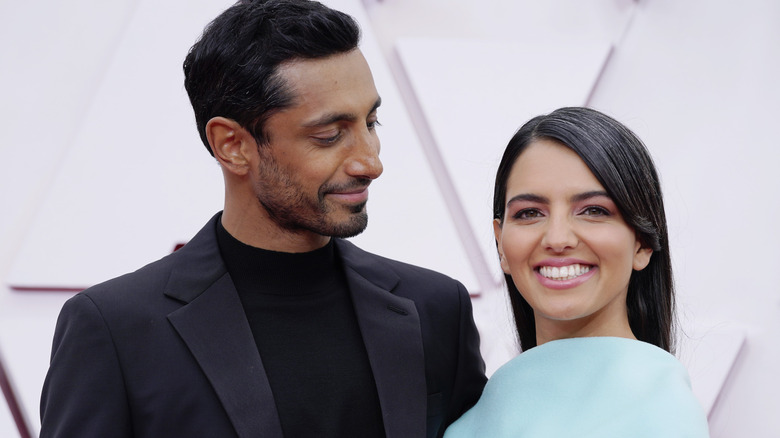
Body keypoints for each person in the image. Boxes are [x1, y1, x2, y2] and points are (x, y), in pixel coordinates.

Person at [39, 1, 486, 437]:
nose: (370, 162)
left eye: (372, 123)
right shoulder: (115, 330)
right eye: (329, 135)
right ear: (232, 144)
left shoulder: (437, 309)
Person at [445, 107, 709, 437]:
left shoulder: (662, 411)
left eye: (594, 210)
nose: (558, 239)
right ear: (501, 243)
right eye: (529, 213)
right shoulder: (479, 406)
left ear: (641, 243)